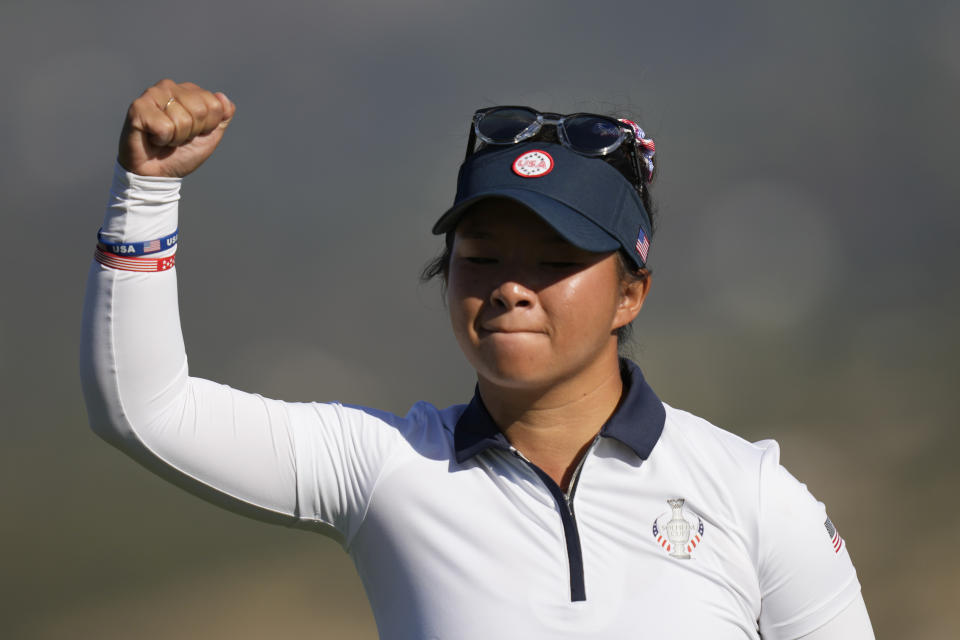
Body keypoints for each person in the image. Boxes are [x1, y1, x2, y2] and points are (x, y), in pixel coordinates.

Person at [80, 79, 875, 639]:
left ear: (630, 295)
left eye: (556, 261)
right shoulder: (386, 466)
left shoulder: (753, 497)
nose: (510, 290)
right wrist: (144, 193)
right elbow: (146, 409)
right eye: (483, 257)